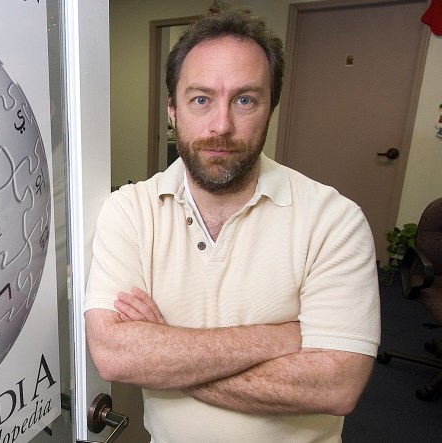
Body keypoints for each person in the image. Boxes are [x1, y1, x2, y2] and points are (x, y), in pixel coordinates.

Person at [83, 9, 380, 443]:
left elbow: (336, 385)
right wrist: (276, 339)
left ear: (269, 109)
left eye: (245, 99)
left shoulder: (333, 220)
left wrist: (164, 351)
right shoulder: (129, 210)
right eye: (201, 99)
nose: (221, 125)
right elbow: (114, 357)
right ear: (172, 110)